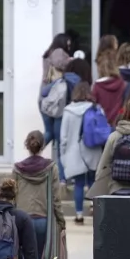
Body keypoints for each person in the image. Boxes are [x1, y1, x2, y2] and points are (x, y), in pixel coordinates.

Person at [13, 131, 66, 259]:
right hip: (44, 220)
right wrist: (61, 221)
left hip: (22, 220)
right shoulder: (51, 168)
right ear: (43, 145)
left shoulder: (17, 169)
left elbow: (12, 197)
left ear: (27, 145)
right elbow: (56, 199)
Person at [60, 82, 102, 224]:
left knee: (78, 184)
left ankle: (78, 215)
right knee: (92, 181)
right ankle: (94, 209)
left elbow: (63, 138)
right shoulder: (96, 108)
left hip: (74, 153)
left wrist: (63, 156)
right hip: (92, 151)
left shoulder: (68, 111)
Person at [40, 33, 73, 185]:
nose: (70, 44)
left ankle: (33, 150)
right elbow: (60, 64)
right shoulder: (59, 53)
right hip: (57, 100)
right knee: (59, 139)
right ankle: (62, 177)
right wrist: (71, 61)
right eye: (68, 41)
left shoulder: (48, 54)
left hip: (46, 100)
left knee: (50, 133)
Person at [92, 54, 127, 127]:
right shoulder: (122, 84)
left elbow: (93, 106)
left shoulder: (97, 86)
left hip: (102, 125)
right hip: (119, 124)